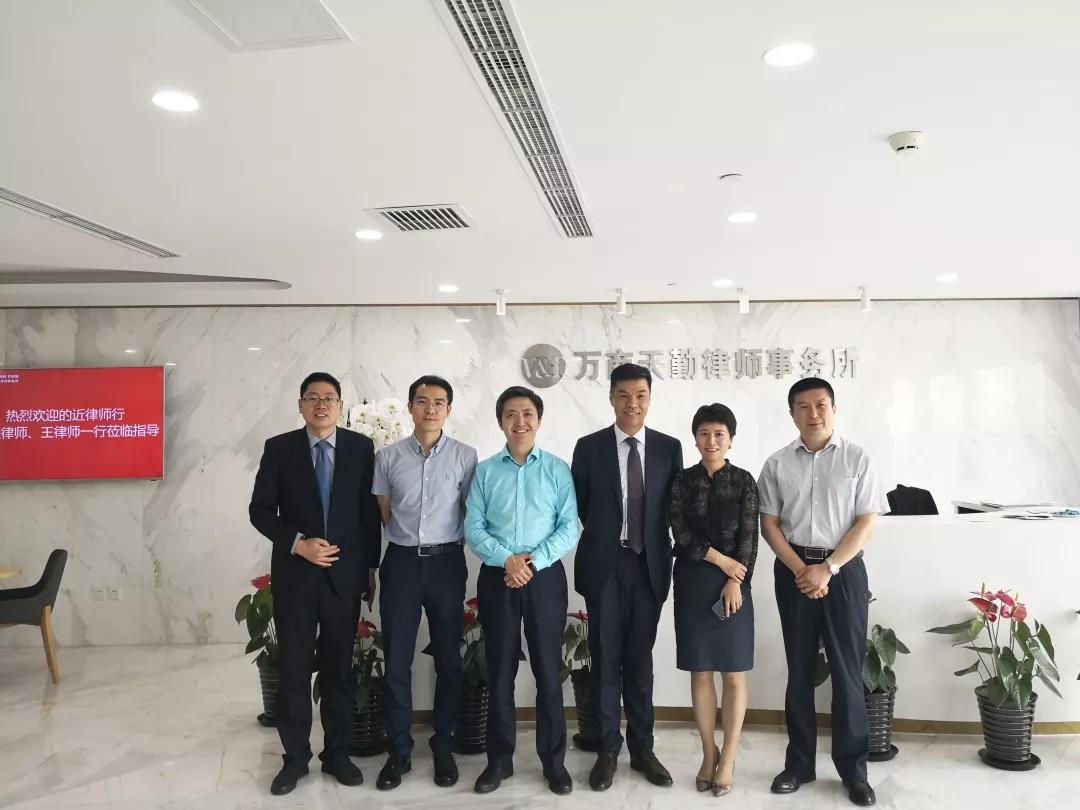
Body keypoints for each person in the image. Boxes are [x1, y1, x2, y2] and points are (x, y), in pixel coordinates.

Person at [248, 372, 381, 796]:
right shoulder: (280, 448)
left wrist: (370, 568)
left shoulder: (360, 448)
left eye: (329, 398)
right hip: (296, 577)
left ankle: (337, 754)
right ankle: (294, 759)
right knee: (293, 670)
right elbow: (260, 510)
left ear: (341, 406)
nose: (321, 404)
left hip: (344, 576)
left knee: (339, 670)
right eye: (312, 397)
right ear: (300, 405)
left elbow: (367, 514)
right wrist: (297, 544)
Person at [757, 378, 888, 807]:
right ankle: (799, 765)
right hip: (794, 571)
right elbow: (769, 524)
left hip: (843, 572)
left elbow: (866, 522)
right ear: (791, 413)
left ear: (833, 408)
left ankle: (854, 772)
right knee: (799, 670)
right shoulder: (777, 463)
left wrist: (828, 568)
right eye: (803, 406)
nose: (813, 413)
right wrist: (802, 570)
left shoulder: (857, 458)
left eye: (821, 404)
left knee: (848, 673)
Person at [570, 363, 684, 791]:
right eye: (623, 395)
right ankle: (607, 751)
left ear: (649, 398)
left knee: (640, 661)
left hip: (648, 566)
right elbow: (581, 505)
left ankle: (642, 750)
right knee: (605, 659)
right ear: (611, 398)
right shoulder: (589, 447)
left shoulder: (669, 448)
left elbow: (674, 509)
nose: (632, 403)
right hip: (605, 565)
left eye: (640, 395)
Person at [464, 386, 579, 796]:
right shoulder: (485, 472)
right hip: (498, 576)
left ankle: (554, 763)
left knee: (548, 671)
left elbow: (569, 525)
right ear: (500, 422)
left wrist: (531, 562)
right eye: (511, 414)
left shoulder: (557, 470)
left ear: (539, 420)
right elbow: (473, 527)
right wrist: (506, 560)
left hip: (543, 577)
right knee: (499, 671)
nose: (520, 421)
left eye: (527, 413)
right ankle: (499, 761)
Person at [372, 375, 478, 790]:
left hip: (446, 563)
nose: (430, 409)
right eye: (422, 401)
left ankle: (443, 745)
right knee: (397, 659)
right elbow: (384, 511)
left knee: (448, 658)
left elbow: (471, 510)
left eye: (438, 402)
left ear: (449, 410)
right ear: (410, 407)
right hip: (400, 563)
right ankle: (398, 751)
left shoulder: (466, 456)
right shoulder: (388, 457)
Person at [669, 403, 758, 797]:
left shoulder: (744, 481)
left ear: (731, 440)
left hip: (734, 583)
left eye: (719, 434)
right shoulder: (681, 481)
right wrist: (721, 561)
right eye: (704, 433)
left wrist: (736, 579)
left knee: (734, 672)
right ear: (695, 438)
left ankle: (729, 756)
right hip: (693, 580)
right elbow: (680, 531)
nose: (711, 441)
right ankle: (709, 753)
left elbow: (750, 537)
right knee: (701, 672)